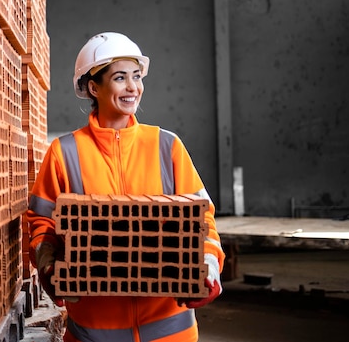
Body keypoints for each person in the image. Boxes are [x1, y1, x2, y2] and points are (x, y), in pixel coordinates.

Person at [26, 32, 226, 342]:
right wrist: (49, 268)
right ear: (94, 87)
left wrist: (208, 266)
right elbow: (42, 224)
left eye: (137, 76)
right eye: (121, 78)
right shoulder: (64, 152)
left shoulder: (166, 146)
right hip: (95, 333)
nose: (133, 87)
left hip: (170, 332)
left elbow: (203, 222)